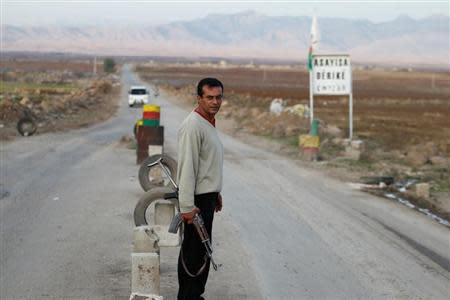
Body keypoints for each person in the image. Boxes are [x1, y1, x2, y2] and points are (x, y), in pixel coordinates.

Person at [176, 78, 224, 300]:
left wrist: (215, 192)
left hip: (206, 197)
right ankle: (188, 296)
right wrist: (186, 207)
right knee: (193, 251)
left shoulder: (208, 122)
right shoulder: (193, 126)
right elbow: (187, 168)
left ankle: (195, 295)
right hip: (195, 201)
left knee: (202, 249)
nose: (215, 102)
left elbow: (206, 164)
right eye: (210, 97)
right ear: (199, 99)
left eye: (218, 97)